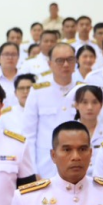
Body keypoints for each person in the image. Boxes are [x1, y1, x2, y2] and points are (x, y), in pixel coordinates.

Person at [21, 43, 78, 179]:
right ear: (50, 64)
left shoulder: (82, 90)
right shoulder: (38, 91)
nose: (65, 64)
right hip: (45, 166)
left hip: (77, 163)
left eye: (70, 59)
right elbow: (29, 134)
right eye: (60, 60)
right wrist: (33, 171)